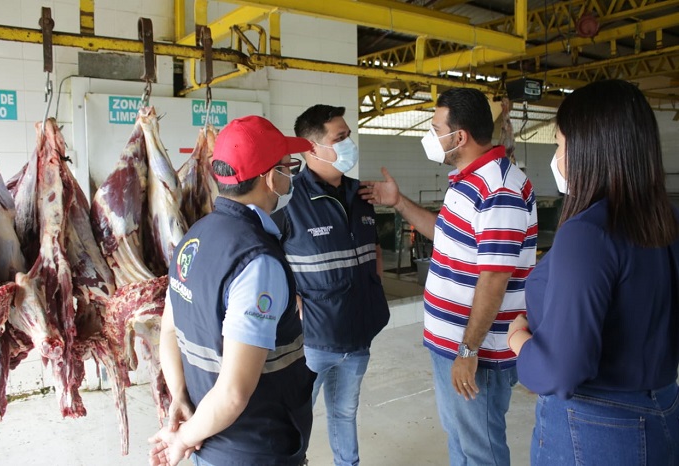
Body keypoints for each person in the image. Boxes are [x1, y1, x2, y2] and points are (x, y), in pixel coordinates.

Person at [361, 88, 537, 466]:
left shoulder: (499, 189)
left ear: (460, 137)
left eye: (436, 127)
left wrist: (468, 351)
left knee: (481, 451)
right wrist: (399, 202)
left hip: (479, 353)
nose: (431, 135)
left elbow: (494, 279)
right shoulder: (467, 179)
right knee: (460, 440)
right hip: (452, 346)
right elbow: (446, 233)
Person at [507, 79, 679, 465]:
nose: (558, 157)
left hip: (596, 427)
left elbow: (561, 370)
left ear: (588, 151)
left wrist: (518, 340)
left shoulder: (586, 234)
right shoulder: (667, 220)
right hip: (663, 409)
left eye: (560, 145)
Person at [148, 115, 316, 466]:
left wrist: (179, 396)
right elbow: (234, 393)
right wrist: (182, 440)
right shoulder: (256, 261)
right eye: (288, 167)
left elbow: (167, 329)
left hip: (207, 436)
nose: (291, 175)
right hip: (253, 445)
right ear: (272, 178)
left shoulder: (193, 236)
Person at [272, 104, 390, 466]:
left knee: (344, 414)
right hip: (312, 342)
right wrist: (289, 299)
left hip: (358, 334)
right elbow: (266, 257)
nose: (348, 142)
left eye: (348, 135)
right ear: (312, 149)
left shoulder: (363, 194)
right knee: (292, 423)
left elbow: (374, 250)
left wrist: (375, 289)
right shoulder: (290, 201)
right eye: (340, 138)